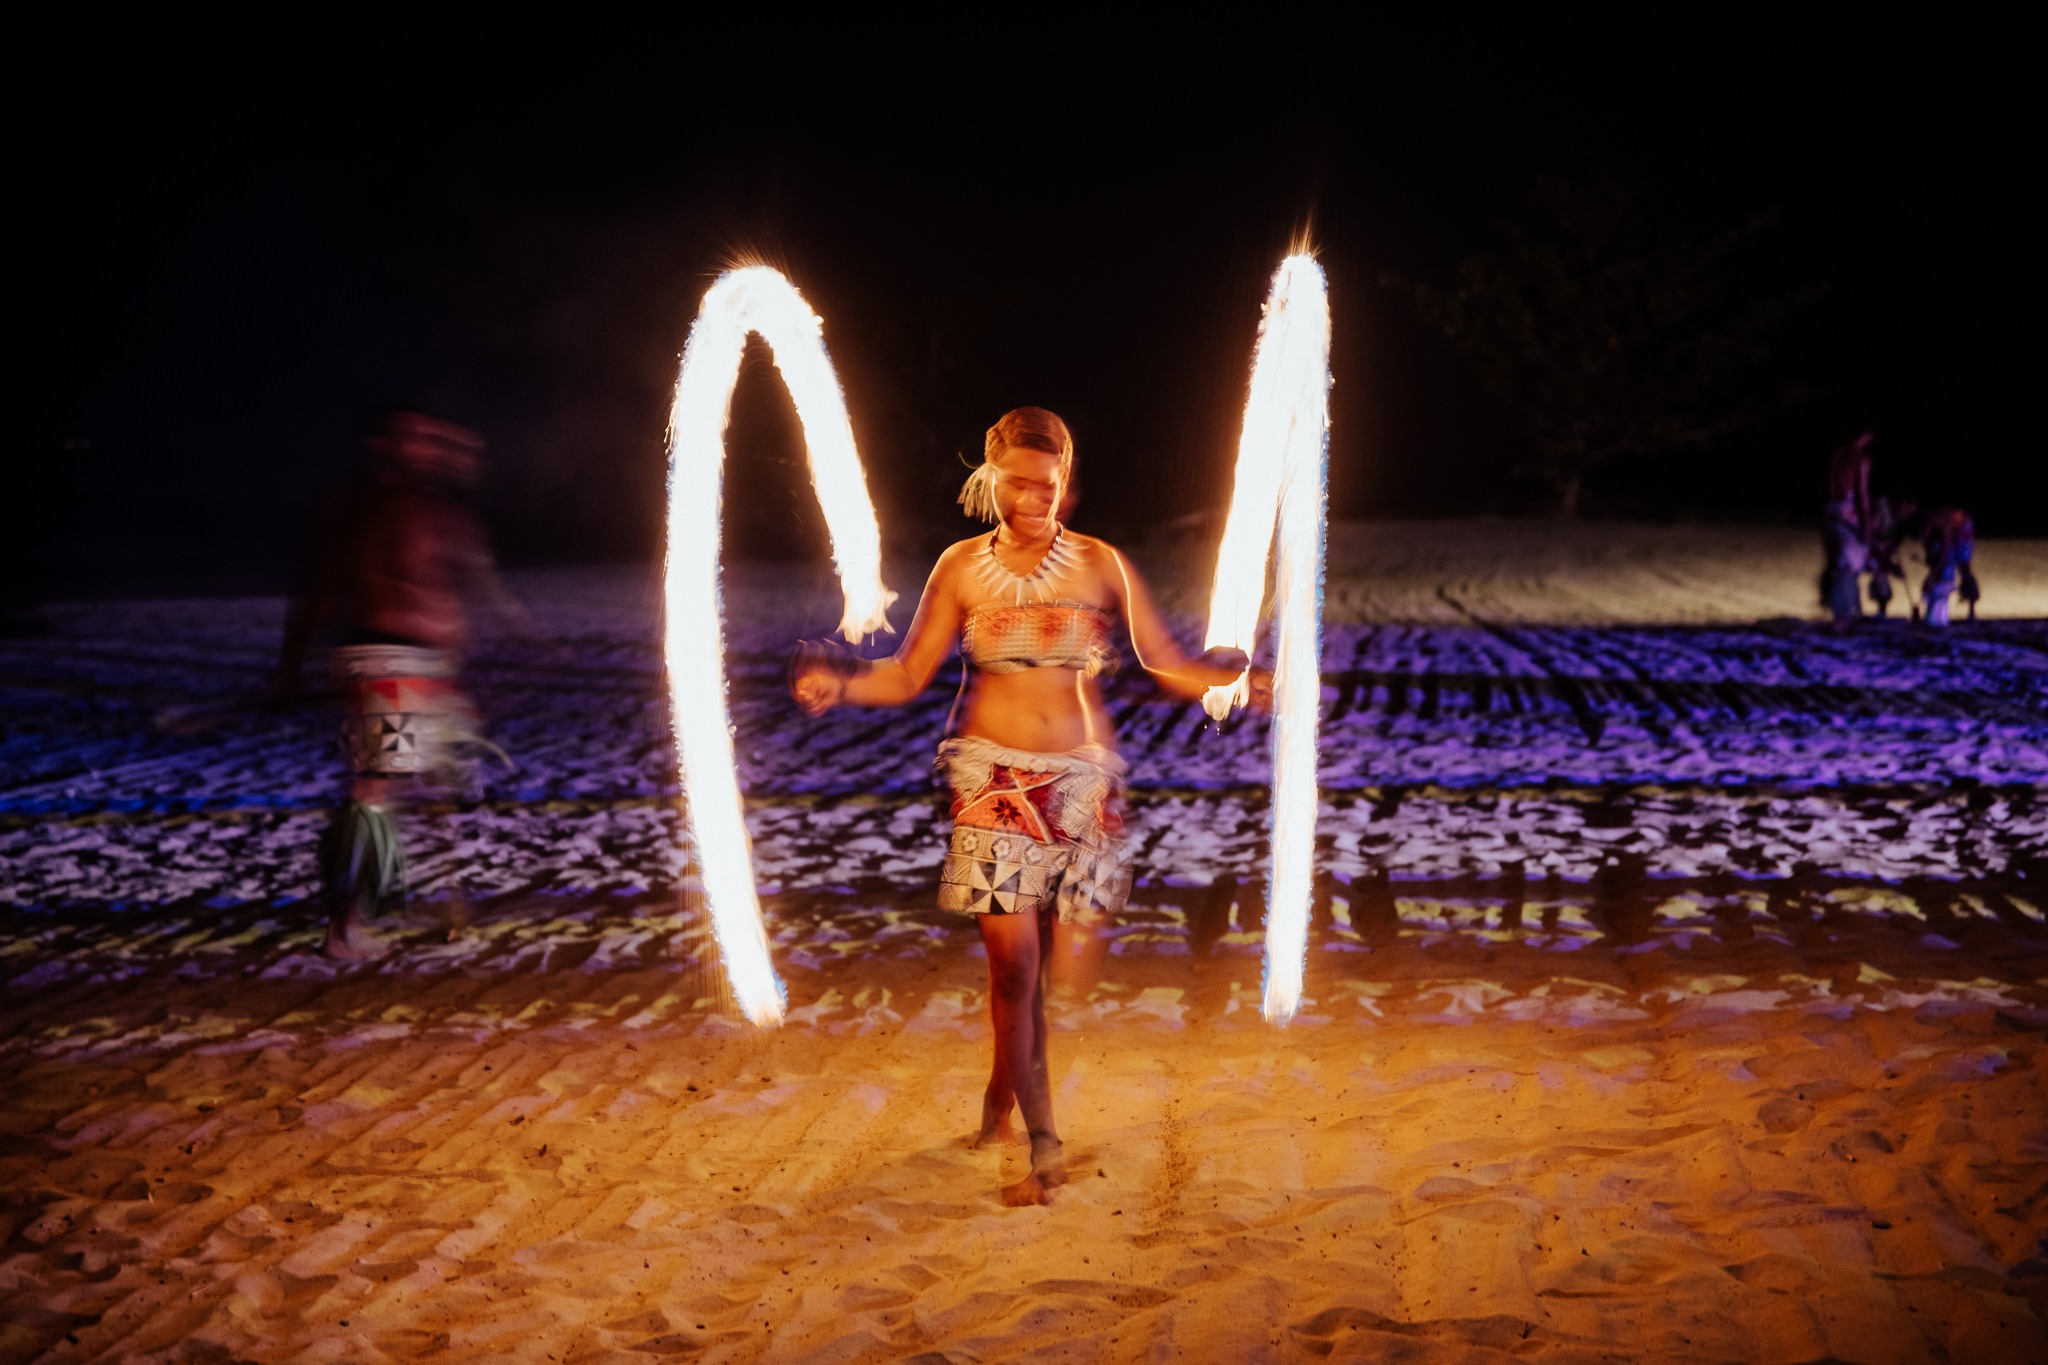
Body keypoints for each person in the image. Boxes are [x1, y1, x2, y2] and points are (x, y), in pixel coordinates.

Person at [790, 407, 1261, 1206]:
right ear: (990, 479)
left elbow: (1163, 662)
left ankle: (998, 1100)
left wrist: (1229, 676)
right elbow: (906, 674)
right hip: (992, 784)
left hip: (1080, 789)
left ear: (1066, 480)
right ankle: (1044, 1148)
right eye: (1016, 483)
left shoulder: (1101, 563)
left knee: (1047, 975)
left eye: (1048, 484)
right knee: (1016, 967)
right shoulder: (960, 567)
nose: (1033, 498)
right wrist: (840, 683)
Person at [277, 411, 528, 959]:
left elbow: (321, 592)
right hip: (397, 667)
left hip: (413, 670)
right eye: (423, 443)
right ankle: (345, 927)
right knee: (374, 792)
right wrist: (289, 666)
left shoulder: (370, 508)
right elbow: (325, 588)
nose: (435, 453)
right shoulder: (416, 513)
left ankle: (447, 909)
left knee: (439, 780)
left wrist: (290, 667)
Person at [1820, 432, 1874, 626]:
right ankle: (1845, 615)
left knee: (1836, 563)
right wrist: (1866, 525)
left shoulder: (1834, 456)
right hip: (1847, 511)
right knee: (1849, 566)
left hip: (1830, 510)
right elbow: (1861, 493)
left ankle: (1843, 611)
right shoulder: (1860, 459)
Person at [1918, 507, 1979, 626]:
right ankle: (1935, 611)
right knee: (1944, 571)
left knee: (1964, 569)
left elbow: (1945, 553)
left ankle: (1971, 609)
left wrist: (1932, 576)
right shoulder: (1931, 533)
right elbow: (1934, 555)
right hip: (1950, 533)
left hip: (1961, 529)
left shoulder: (1943, 526)